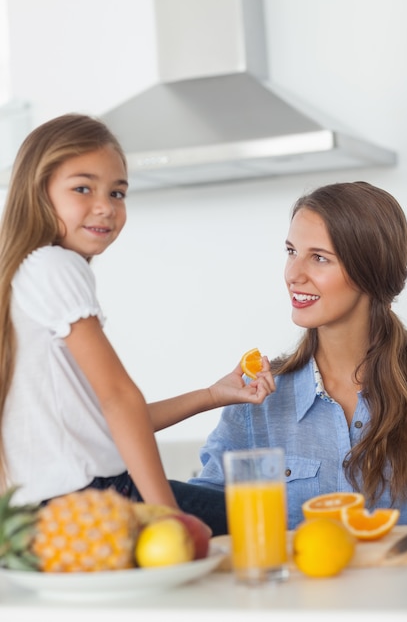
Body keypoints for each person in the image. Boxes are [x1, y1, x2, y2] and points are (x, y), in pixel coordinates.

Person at [0, 113, 275, 535]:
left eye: (118, 192)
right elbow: (118, 399)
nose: (105, 206)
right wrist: (169, 519)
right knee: (265, 520)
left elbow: (106, 420)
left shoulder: (25, 275)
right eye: (82, 188)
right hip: (97, 497)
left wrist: (211, 394)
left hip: (45, 516)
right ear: (37, 192)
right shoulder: (55, 264)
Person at [188, 181, 407, 531]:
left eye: (319, 258)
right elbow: (203, 525)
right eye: (291, 251)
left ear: (369, 269)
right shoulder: (255, 400)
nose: (293, 275)